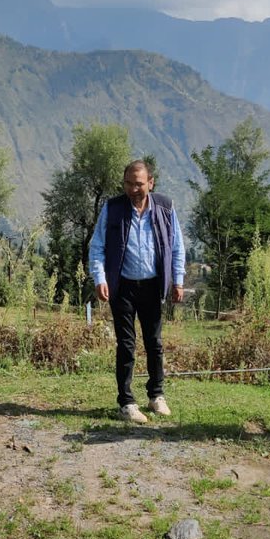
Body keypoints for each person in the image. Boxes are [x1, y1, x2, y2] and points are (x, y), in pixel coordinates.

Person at [88, 160, 185, 424]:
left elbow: (177, 246)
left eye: (139, 184)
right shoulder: (113, 208)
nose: (133, 189)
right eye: (128, 184)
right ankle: (127, 403)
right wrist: (100, 278)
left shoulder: (165, 207)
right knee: (126, 344)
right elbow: (97, 246)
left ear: (150, 183)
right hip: (122, 286)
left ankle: (156, 396)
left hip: (153, 285)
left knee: (154, 343)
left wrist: (178, 281)